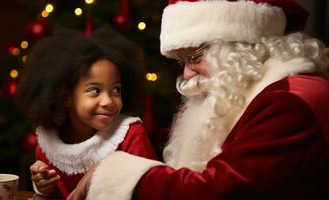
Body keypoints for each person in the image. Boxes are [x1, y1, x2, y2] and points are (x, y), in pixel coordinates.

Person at [68, 0, 329, 199]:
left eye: (194, 58)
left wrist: (112, 175)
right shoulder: (251, 91)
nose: (186, 74)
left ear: (239, 48)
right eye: (183, 62)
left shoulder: (291, 101)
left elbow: (221, 191)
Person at [15, 27, 157, 198]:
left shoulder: (131, 135)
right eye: (95, 90)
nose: (109, 101)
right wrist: (45, 188)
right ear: (65, 98)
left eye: (115, 90)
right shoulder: (48, 145)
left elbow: (153, 189)